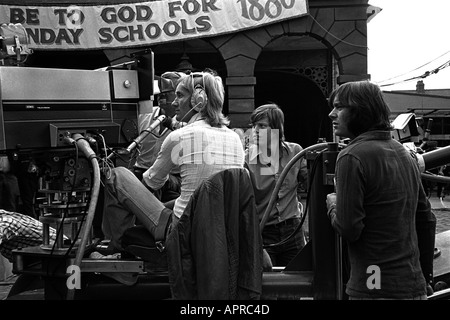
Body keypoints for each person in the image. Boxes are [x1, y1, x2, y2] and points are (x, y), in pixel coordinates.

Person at [93, 69, 246, 284]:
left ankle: (118, 253)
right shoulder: (235, 140)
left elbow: (150, 183)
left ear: (198, 100)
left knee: (116, 175)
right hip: (218, 230)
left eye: (180, 95)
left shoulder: (179, 137)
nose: (174, 102)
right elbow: (202, 195)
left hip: (180, 230)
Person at [325, 80, 436, 299]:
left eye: (339, 107)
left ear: (361, 110)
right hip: (412, 284)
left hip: (373, 284)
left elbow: (349, 228)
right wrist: (425, 277)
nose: (331, 114)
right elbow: (426, 219)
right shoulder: (405, 154)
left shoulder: (351, 156)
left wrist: (333, 205)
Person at [245, 103, 307, 266]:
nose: (255, 131)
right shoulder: (245, 160)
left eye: (262, 126)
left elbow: (310, 183)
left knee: (299, 280)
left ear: (276, 129)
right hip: (263, 232)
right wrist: (256, 242)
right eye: (253, 126)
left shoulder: (295, 152)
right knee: (266, 283)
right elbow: (244, 206)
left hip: (293, 229)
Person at [132, 71, 186, 203]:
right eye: (161, 91)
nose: (162, 94)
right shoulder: (144, 114)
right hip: (141, 171)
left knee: (156, 180)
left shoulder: (187, 122)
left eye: (168, 91)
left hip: (172, 177)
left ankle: (153, 220)